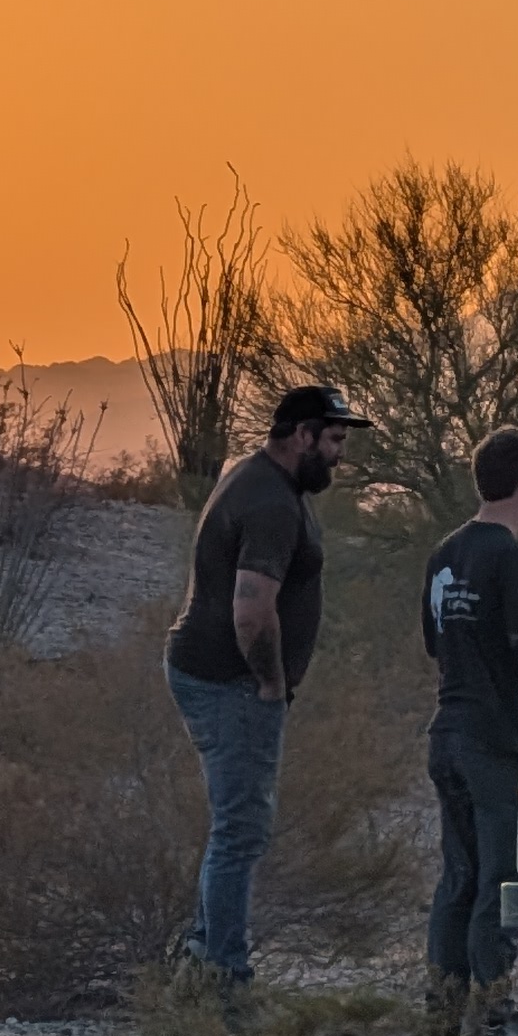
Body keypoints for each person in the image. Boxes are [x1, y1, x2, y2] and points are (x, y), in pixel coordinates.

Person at [163, 382, 358, 986]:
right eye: (331, 439)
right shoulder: (271, 504)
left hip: (214, 672)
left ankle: (204, 955)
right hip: (231, 681)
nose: (338, 455)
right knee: (241, 829)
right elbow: (251, 612)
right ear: (301, 435)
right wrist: (271, 683)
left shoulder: (260, 481)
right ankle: (224, 975)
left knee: (236, 824)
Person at [422, 425, 518, 1034]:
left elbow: (434, 641)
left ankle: (444, 1008)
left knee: (458, 875)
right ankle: (495, 1005)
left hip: (445, 729)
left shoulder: (445, 553)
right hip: (494, 739)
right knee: (500, 876)